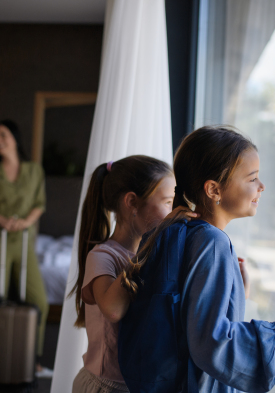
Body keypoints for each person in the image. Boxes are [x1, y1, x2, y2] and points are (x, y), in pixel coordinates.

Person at [120, 126, 275, 393]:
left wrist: (237, 295)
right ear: (213, 190)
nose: (262, 186)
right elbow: (210, 343)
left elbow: (185, 320)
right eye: (252, 178)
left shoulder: (169, 231)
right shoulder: (212, 242)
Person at [70, 155, 187, 393]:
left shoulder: (152, 256)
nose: (173, 211)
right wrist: (155, 240)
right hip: (105, 385)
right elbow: (113, 309)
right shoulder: (103, 256)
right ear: (132, 202)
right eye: (168, 202)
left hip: (137, 385)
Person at [0, 119, 51, 377]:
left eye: (3, 135)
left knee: (38, 299)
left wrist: (26, 222)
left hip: (24, 240)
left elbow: (39, 202)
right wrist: (3, 220)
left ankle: (33, 360)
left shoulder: (33, 170)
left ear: (15, 138)